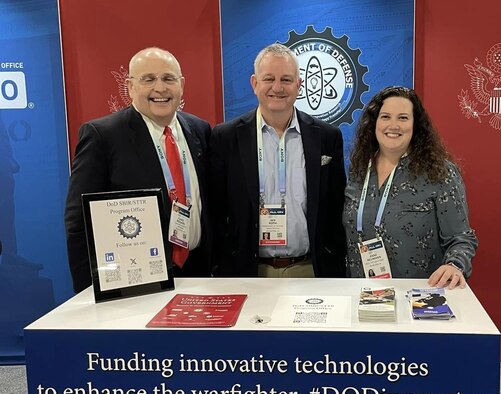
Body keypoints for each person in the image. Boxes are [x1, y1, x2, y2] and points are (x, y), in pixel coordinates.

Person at [64, 47, 212, 292]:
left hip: (200, 274)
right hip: (135, 281)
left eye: (168, 78)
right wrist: (88, 291)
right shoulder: (103, 136)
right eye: (148, 79)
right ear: (131, 87)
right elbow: (79, 221)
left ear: (182, 85)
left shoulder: (200, 130)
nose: (160, 88)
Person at [209, 42, 346, 278]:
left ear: (299, 85)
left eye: (286, 79)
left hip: (309, 270)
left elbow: (336, 206)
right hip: (247, 271)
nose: (277, 87)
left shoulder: (326, 137)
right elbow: (216, 209)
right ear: (254, 83)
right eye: (269, 79)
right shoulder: (226, 137)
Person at [343, 86, 477, 288]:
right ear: (374, 123)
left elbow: (461, 238)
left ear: (416, 125)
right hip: (362, 295)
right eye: (385, 116)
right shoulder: (359, 169)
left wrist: (454, 265)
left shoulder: (439, 173)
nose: (393, 125)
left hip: (420, 298)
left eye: (403, 118)